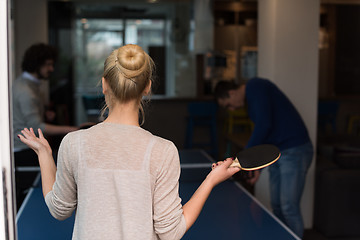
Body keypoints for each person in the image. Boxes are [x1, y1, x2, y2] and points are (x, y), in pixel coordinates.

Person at [18, 44, 240, 239]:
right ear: (147, 87)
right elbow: (170, 232)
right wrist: (210, 180)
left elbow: (59, 210)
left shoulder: (73, 143)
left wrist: (45, 155)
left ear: (104, 85)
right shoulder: (163, 151)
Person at [214, 78, 313, 238]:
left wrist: (245, 158)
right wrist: (257, 167)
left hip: (295, 150)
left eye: (228, 105)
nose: (231, 110)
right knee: (277, 206)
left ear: (232, 93)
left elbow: (264, 125)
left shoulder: (255, 87)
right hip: (279, 151)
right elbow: (268, 131)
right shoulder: (251, 100)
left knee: (288, 207)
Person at [12, 43, 79, 209]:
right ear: (37, 64)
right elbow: (35, 126)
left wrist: (44, 113)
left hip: (26, 147)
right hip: (23, 150)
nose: (51, 68)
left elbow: (28, 116)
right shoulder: (26, 91)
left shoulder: (30, 84)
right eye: (48, 64)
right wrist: (72, 130)